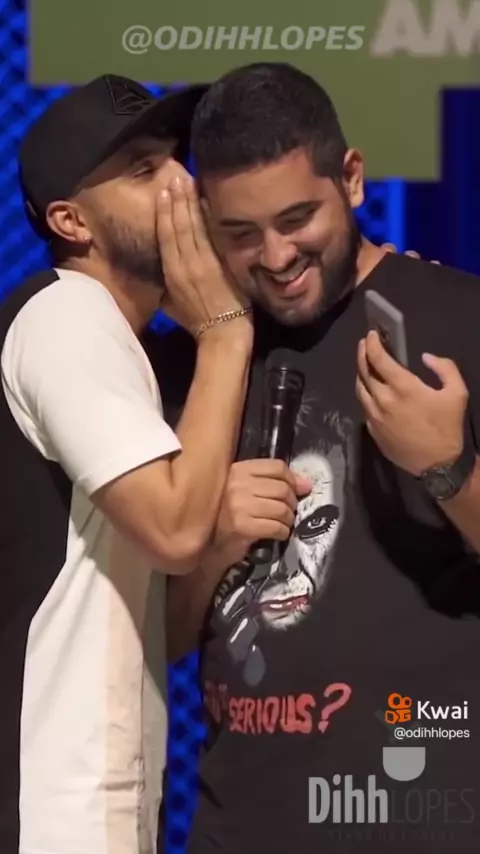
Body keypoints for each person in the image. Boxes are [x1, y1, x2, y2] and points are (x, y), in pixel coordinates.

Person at [148, 63, 480, 853]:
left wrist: (448, 469)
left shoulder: (462, 319)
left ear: (352, 180)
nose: (276, 256)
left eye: (298, 218)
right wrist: (211, 543)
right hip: (242, 822)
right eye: (241, 233)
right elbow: (157, 642)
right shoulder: (191, 368)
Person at [0, 73, 264, 854]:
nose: (182, 183)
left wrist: (219, 539)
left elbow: (155, 629)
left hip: (104, 800)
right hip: (55, 808)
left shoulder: (124, 346)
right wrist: (225, 331)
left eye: (177, 158)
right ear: (71, 220)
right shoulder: (65, 316)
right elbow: (175, 532)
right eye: (144, 170)